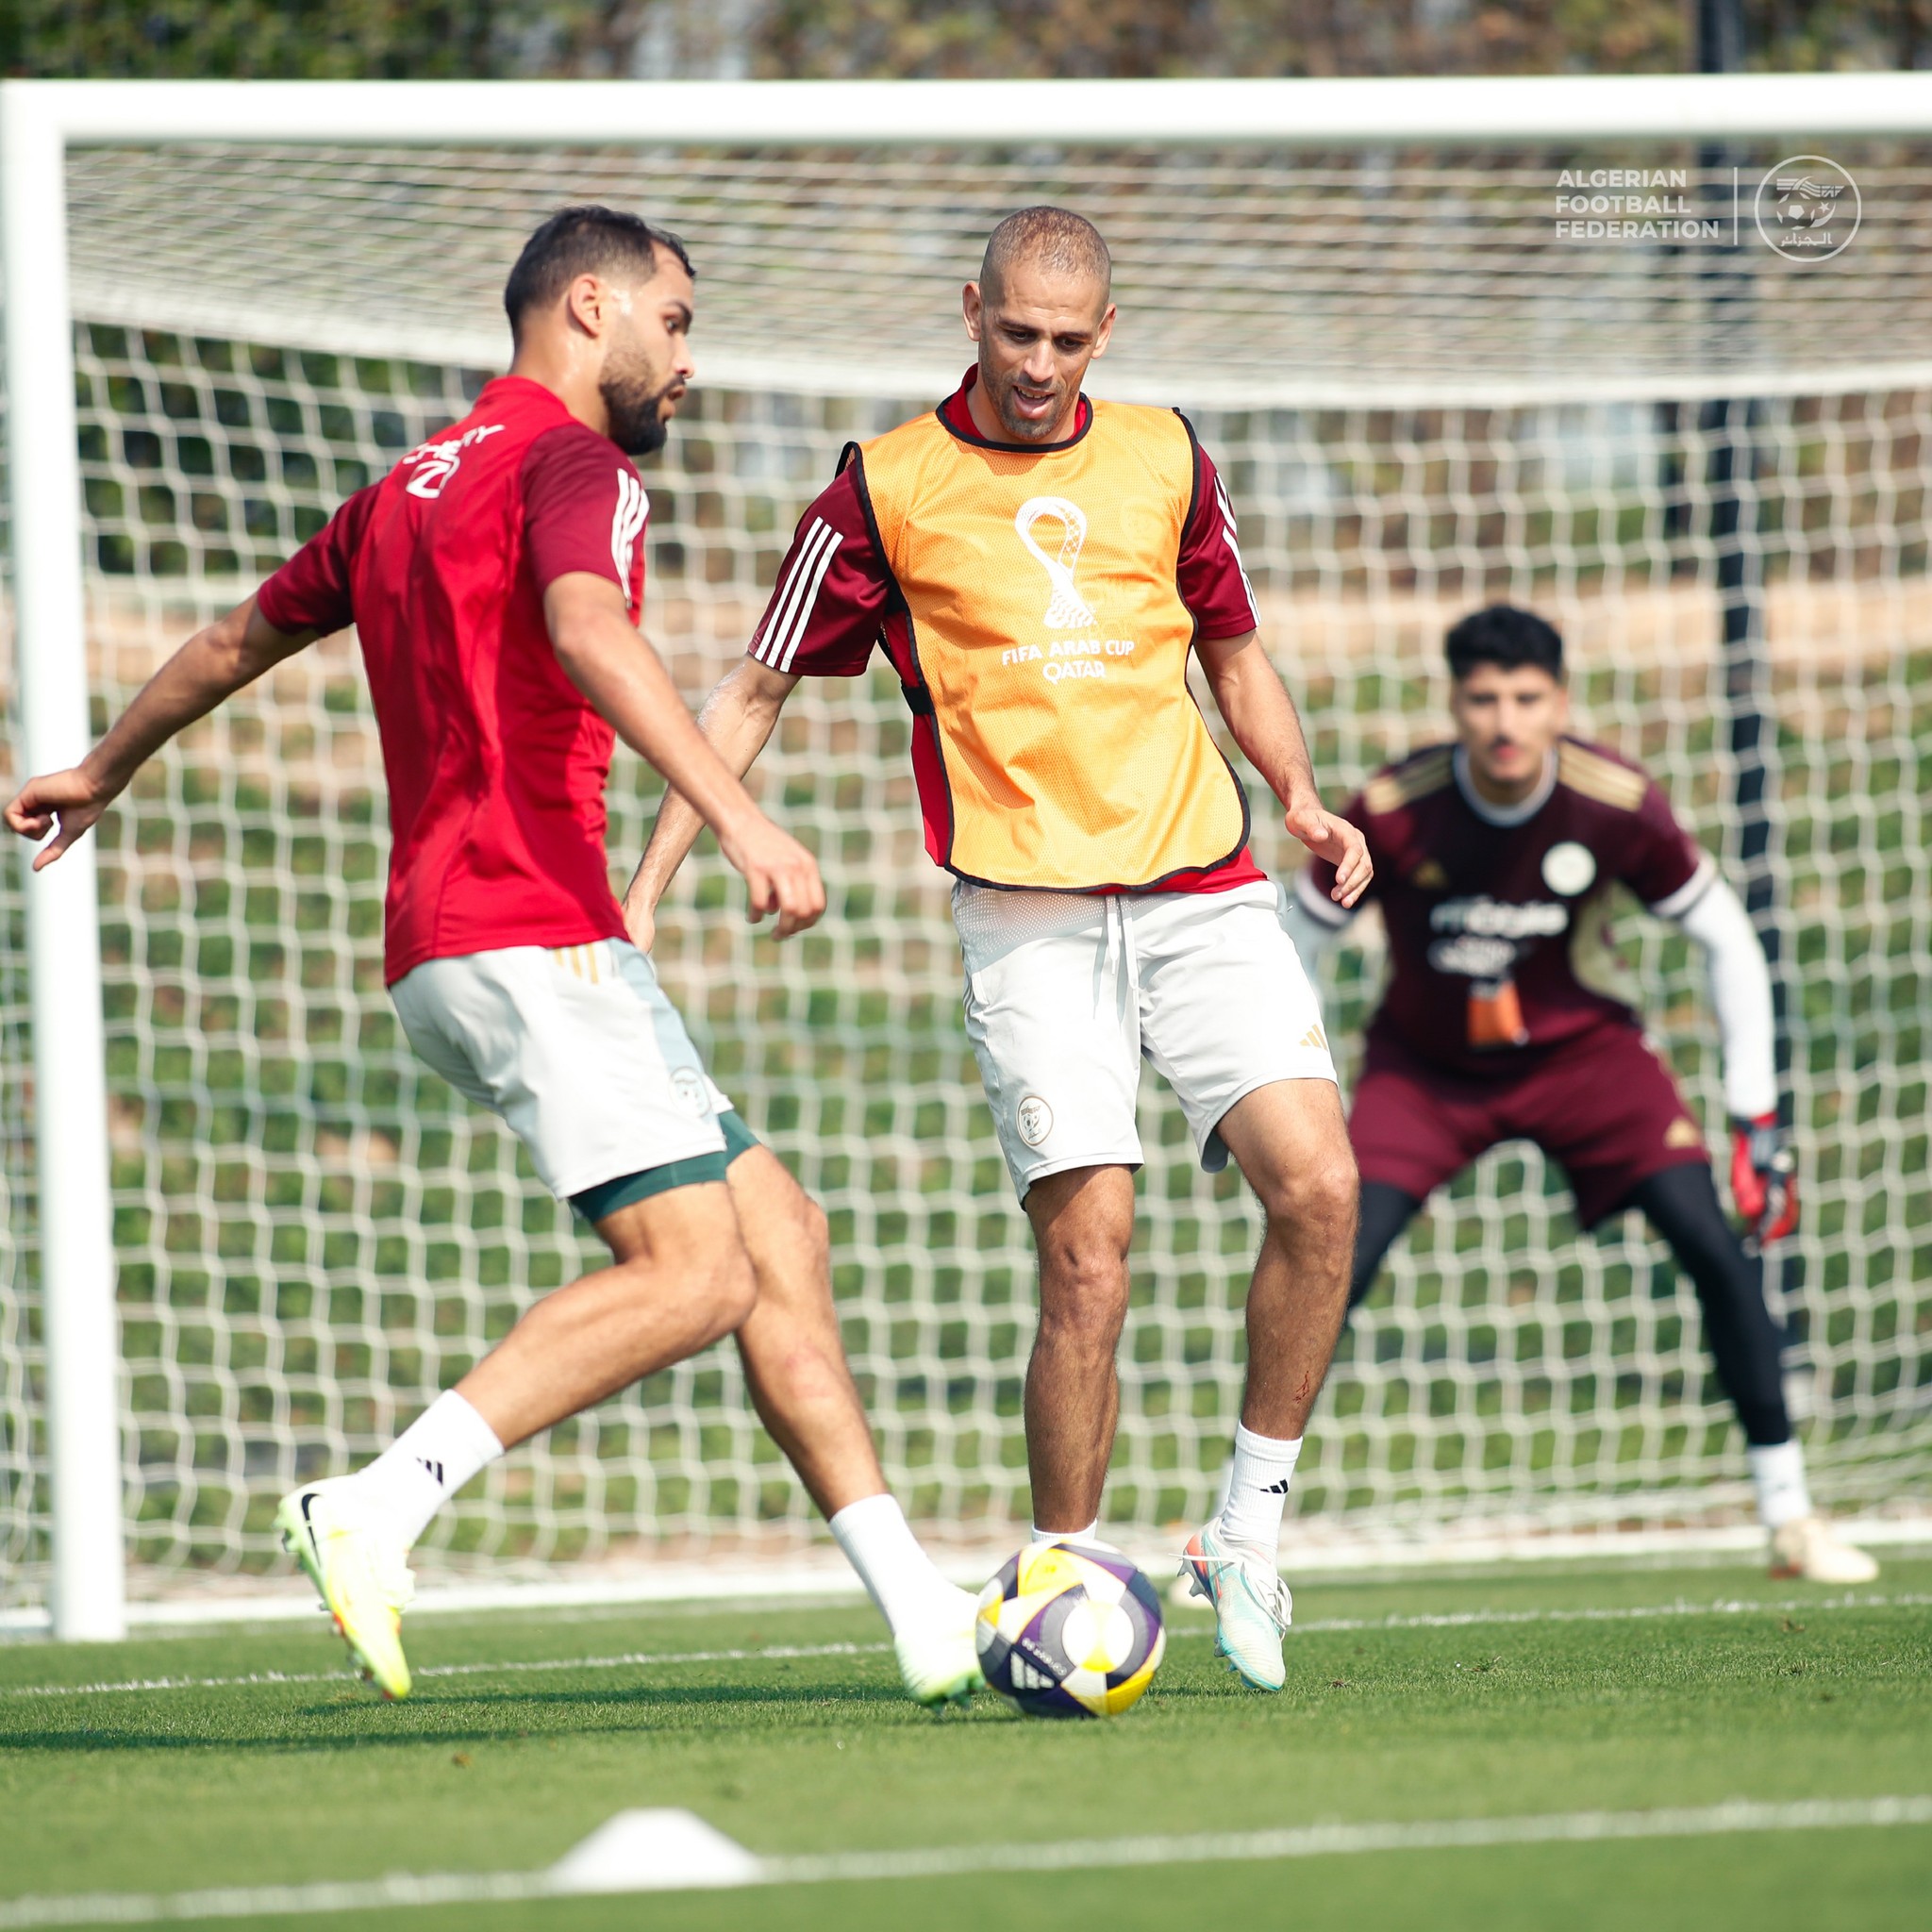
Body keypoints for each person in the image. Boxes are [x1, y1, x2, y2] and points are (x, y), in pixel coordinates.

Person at [6, 206, 984, 1704]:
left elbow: (228, 645)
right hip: (528, 928)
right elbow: (588, 629)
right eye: (675, 321)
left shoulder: (402, 488)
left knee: (778, 1233)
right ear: (590, 307)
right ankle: (377, 1504)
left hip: (451, 941)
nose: (689, 362)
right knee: (699, 1272)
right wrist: (740, 823)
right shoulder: (573, 466)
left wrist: (101, 768)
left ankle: (922, 1613)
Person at [625, 207, 1371, 1693]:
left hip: (1203, 885)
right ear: (971, 313)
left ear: (1108, 334)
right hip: (1026, 916)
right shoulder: (882, 489)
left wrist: (1296, 792)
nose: (1039, 364)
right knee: (1088, 1261)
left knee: (1324, 1189)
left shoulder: (1168, 457)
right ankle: (1062, 1580)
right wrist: (645, 889)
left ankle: (1245, 1532)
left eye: (1068, 340)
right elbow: (755, 691)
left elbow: (1233, 652)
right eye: (1016, 331)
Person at [1278, 603, 1875, 1583]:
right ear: (1454, 703)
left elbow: (1725, 936)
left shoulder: (1615, 802)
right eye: (1483, 699)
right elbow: (1292, 939)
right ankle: (1238, 1535)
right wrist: (1296, 1092)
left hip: (1583, 1062)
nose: (1504, 722)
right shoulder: (1390, 807)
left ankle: (1789, 1516)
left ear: (1560, 701)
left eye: (1526, 698)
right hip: (1424, 1073)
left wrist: (1755, 1118)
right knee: (1327, 1257)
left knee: (1712, 1246)